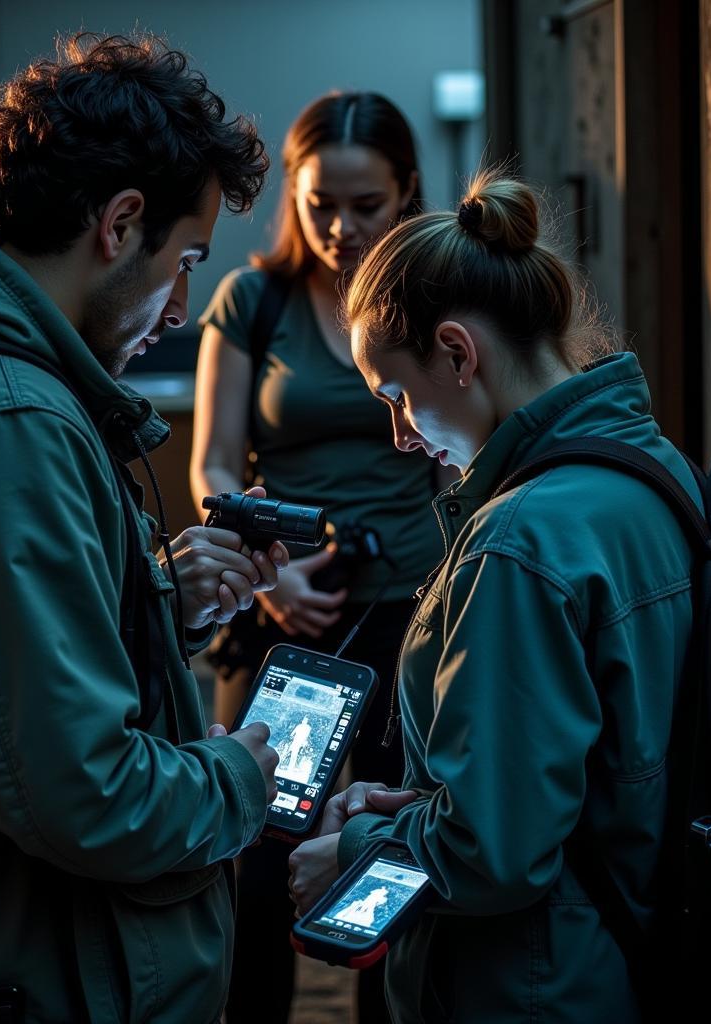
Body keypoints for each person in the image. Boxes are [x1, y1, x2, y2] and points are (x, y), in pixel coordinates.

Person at [0, 33, 290, 1024]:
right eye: (186, 259)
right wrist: (239, 776)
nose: (183, 304)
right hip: (39, 976)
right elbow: (83, 792)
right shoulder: (2, 422)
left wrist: (153, 596)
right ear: (120, 224)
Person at [288, 169, 699, 1023]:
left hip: (528, 983)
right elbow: (592, 767)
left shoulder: (517, 543)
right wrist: (419, 805)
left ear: (457, 352)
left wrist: (354, 850)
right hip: (623, 953)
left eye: (397, 397)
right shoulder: (653, 469)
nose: (401, 436)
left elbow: (494, 851)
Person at [189, 91, 444, 1023]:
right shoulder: (252, 299)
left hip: (412, 618)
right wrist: (271, 578)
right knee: (254, 855)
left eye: (366, 206)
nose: (340, 227)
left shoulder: (431, 299)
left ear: (408, 191)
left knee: (387, 855)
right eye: (317, 203)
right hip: (280, 617)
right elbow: (215, 460)